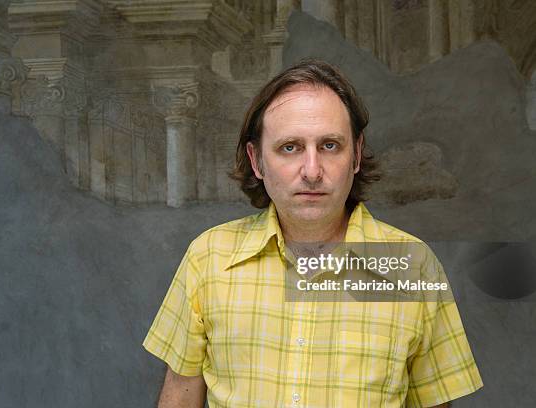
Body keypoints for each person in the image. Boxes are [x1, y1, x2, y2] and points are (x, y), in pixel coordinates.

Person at [142, 59, 483, 407]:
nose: (312, 171)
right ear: (257, 159)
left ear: (356, 155)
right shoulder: (209, 258)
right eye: (289, 147)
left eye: (330, 146)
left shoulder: (412, 266)